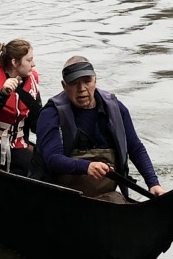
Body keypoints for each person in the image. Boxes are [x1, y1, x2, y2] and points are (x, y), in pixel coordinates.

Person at [30, 56, 165, 200]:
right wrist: (86, 167)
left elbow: (135, 147)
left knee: (117, 202)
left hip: (105, 196)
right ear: (64, 86)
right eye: (74, 83)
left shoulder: (116, 109)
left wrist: (153, 183)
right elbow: (53, 159)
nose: (81, 89)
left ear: (95, 80)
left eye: (87, 81)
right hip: (62, 196)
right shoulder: (51, 113)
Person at [0, 38, 41, 175]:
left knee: (34, 166)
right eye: (29, 60)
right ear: (15, 62)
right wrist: (3, 94)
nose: (33, 64)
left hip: (19, 141)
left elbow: (36, 120)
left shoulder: (32, 79)